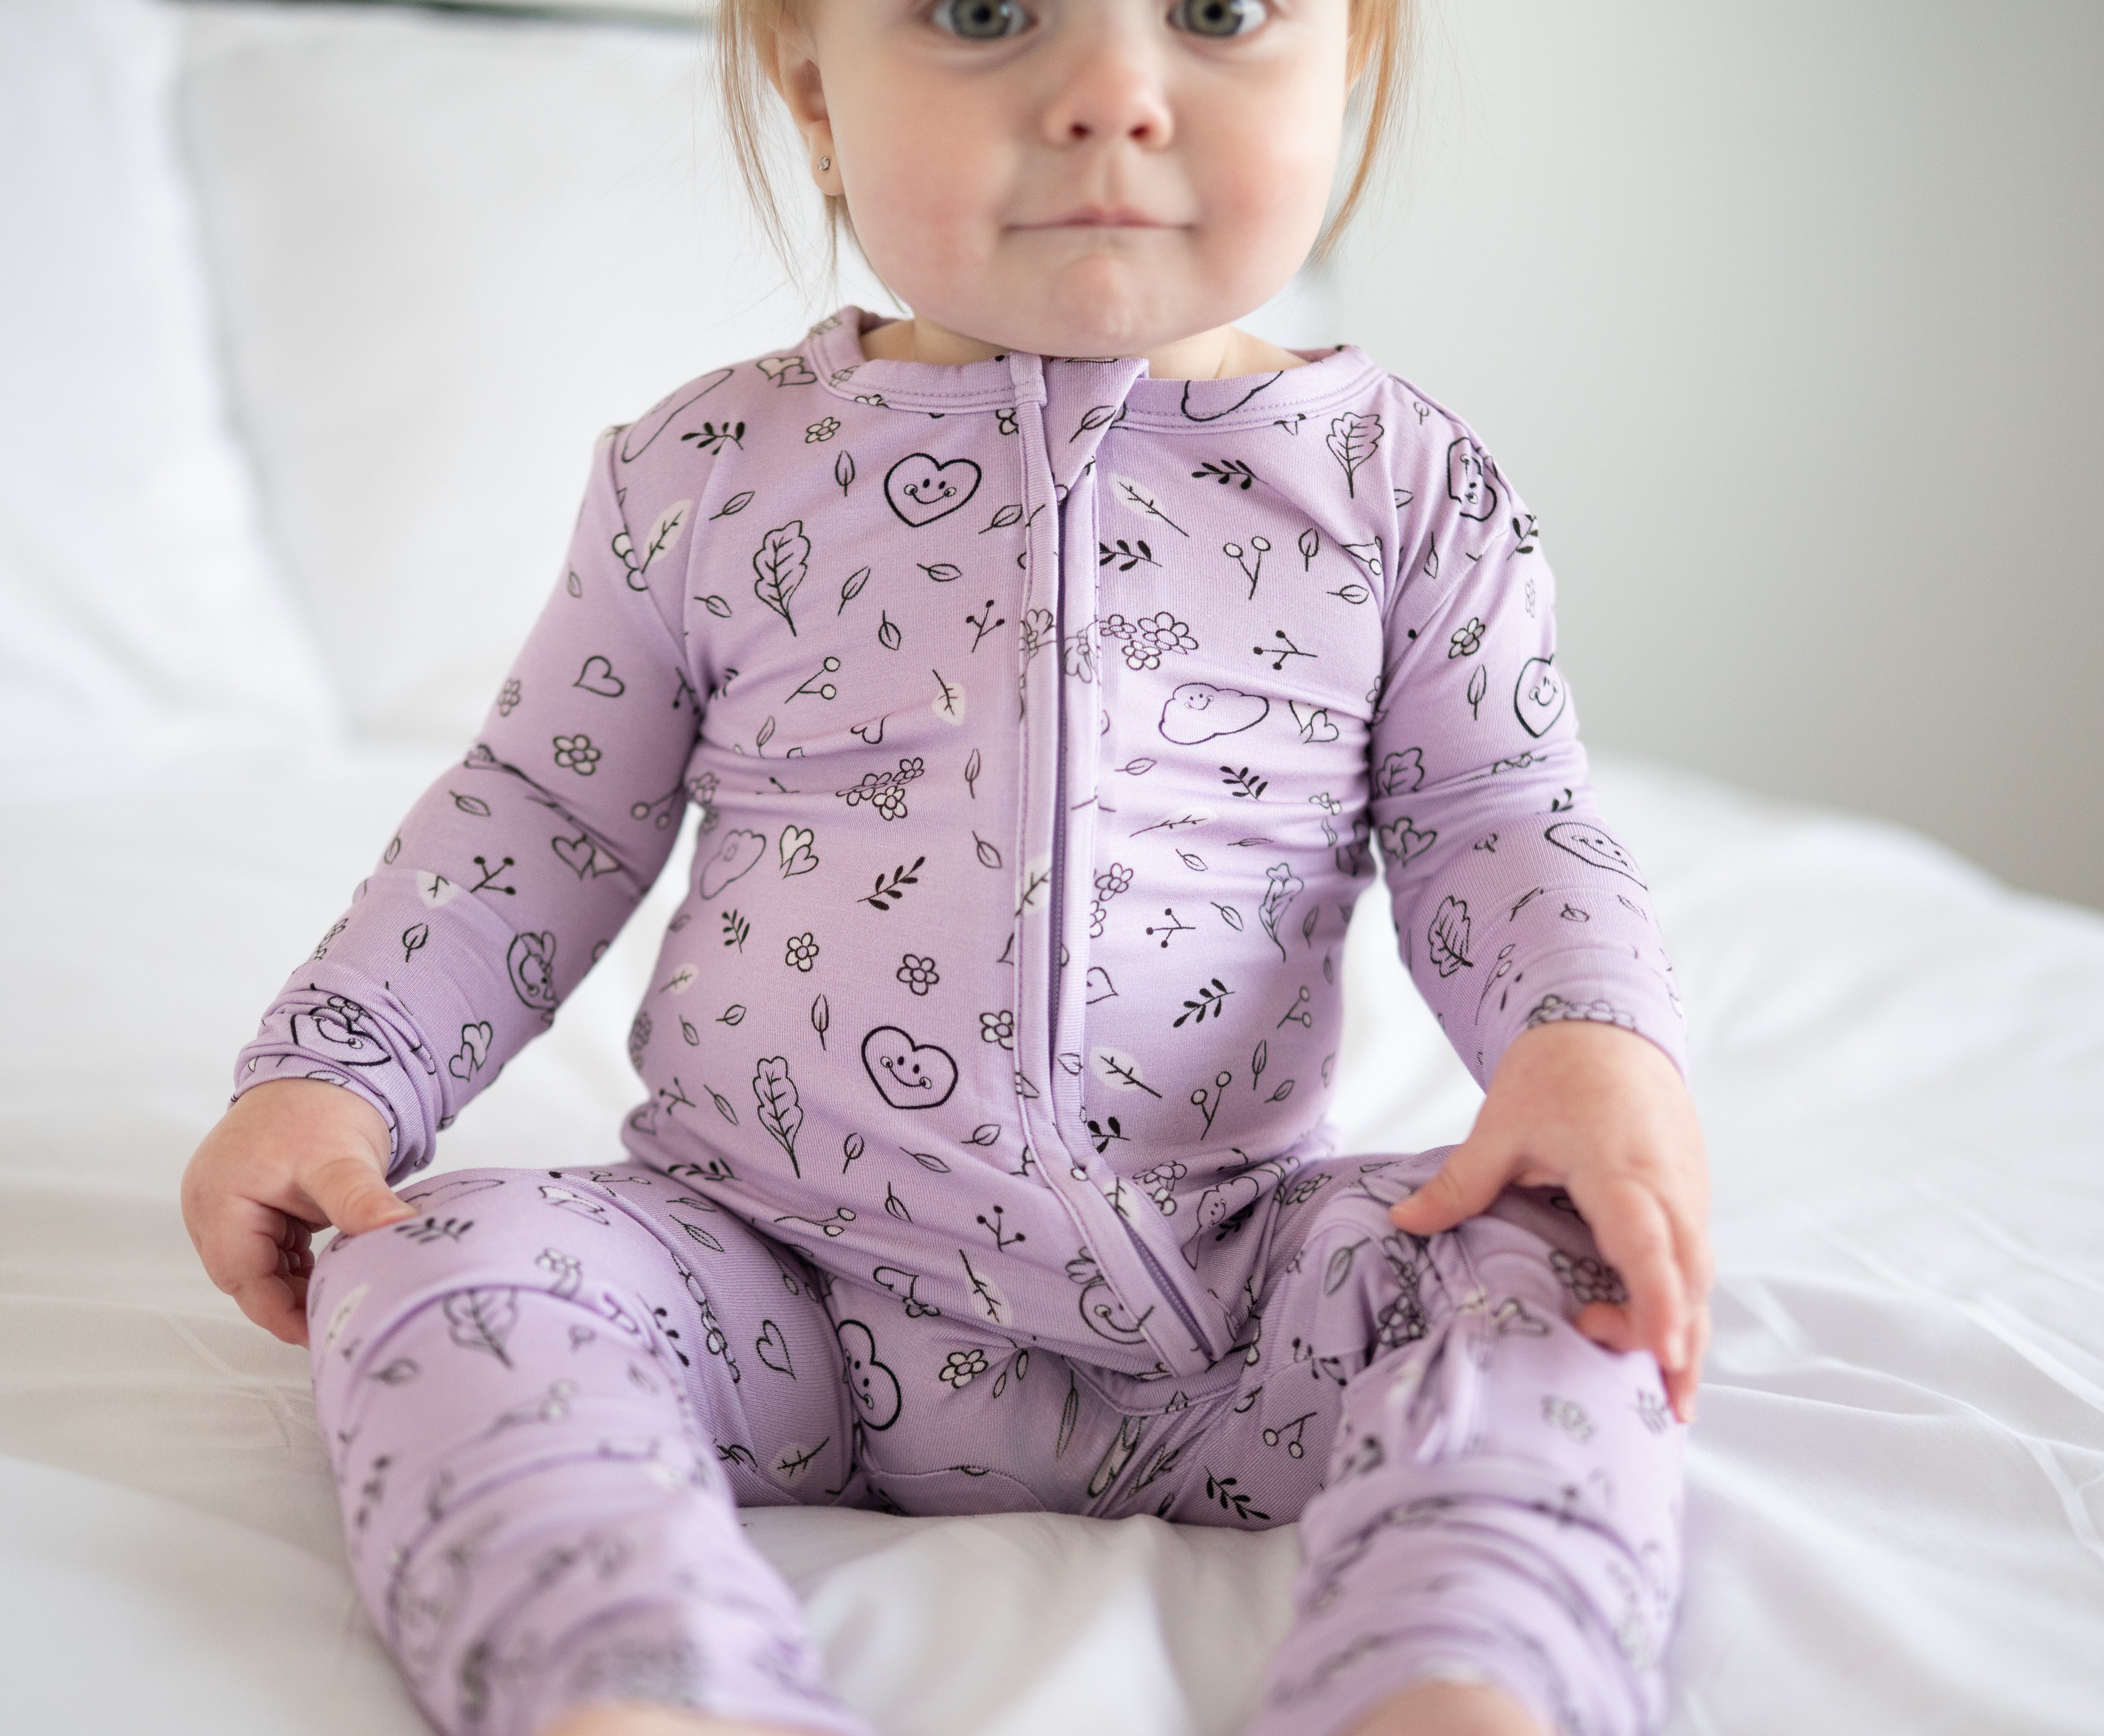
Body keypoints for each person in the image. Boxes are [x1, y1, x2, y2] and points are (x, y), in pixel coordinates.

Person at [180, 2, 1713, 1733]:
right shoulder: (706, 475)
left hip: (1225, 1299)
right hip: (775, 1281)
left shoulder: (1402, 488)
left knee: (1563, 1270)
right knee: (439, 1267)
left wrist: (1589, 1038)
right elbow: (543, 811)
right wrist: (334, 1073)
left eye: (1217, 11)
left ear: (1346, 61)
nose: (1114, 100)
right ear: (815, 85)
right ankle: (642, 1684)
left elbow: (1496, 815)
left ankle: (1460, 1679)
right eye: (985, 12)